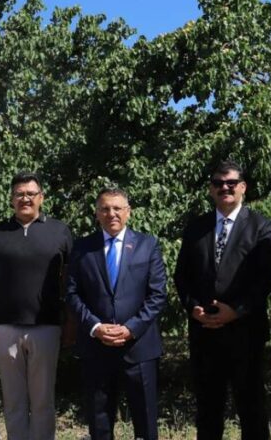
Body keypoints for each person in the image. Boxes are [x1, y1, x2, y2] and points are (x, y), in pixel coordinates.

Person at [173, 160, 271, 440]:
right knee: (208, 410)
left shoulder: (262, 226)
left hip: (245, 332)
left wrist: (237, 311)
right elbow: (182, 275)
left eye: (231, 183)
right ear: (211, 189)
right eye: (218, 183)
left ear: (243, 187)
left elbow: (265, 279)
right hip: (204, 332)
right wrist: (192, 307)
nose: (225, 188)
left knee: (251, 408)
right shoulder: (196, 228)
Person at [0, 172, 74, 440]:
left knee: (43, 401)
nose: (25, 198)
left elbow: (69, 283)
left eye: (31, 193)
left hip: (47, 326)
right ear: (11, 199)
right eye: (19, 194)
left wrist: (70, 323)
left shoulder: (60, 231)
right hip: (4, 328)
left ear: (41, 197)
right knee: (13, 401)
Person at [66, 188, 167, 440]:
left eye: (117, 208)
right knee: (99, 422)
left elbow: (157, 295)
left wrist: (131, 328)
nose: (111, 213)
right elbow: (72, 294)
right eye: (105, 209)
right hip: (96, 347)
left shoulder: (148, 245)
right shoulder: (81, 248)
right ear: (96, 213)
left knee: (145, 422)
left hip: (139, 347)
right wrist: (95, 327)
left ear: (128, 212)